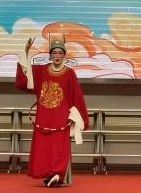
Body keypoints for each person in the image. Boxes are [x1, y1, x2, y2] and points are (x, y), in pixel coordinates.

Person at [15, 35, 89, 188]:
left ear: (64, 54)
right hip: (44, 115)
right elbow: (26, 75)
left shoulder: (69, 73)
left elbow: (76, 96)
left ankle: (57, 173)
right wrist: (25, 51)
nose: (57, 56)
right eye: (54, 53)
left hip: (61, 117)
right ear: (50, 55)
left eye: (60, 52)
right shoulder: (42, 70)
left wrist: (77, 116)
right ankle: (50, 175)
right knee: (43, 147)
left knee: (59, 147)